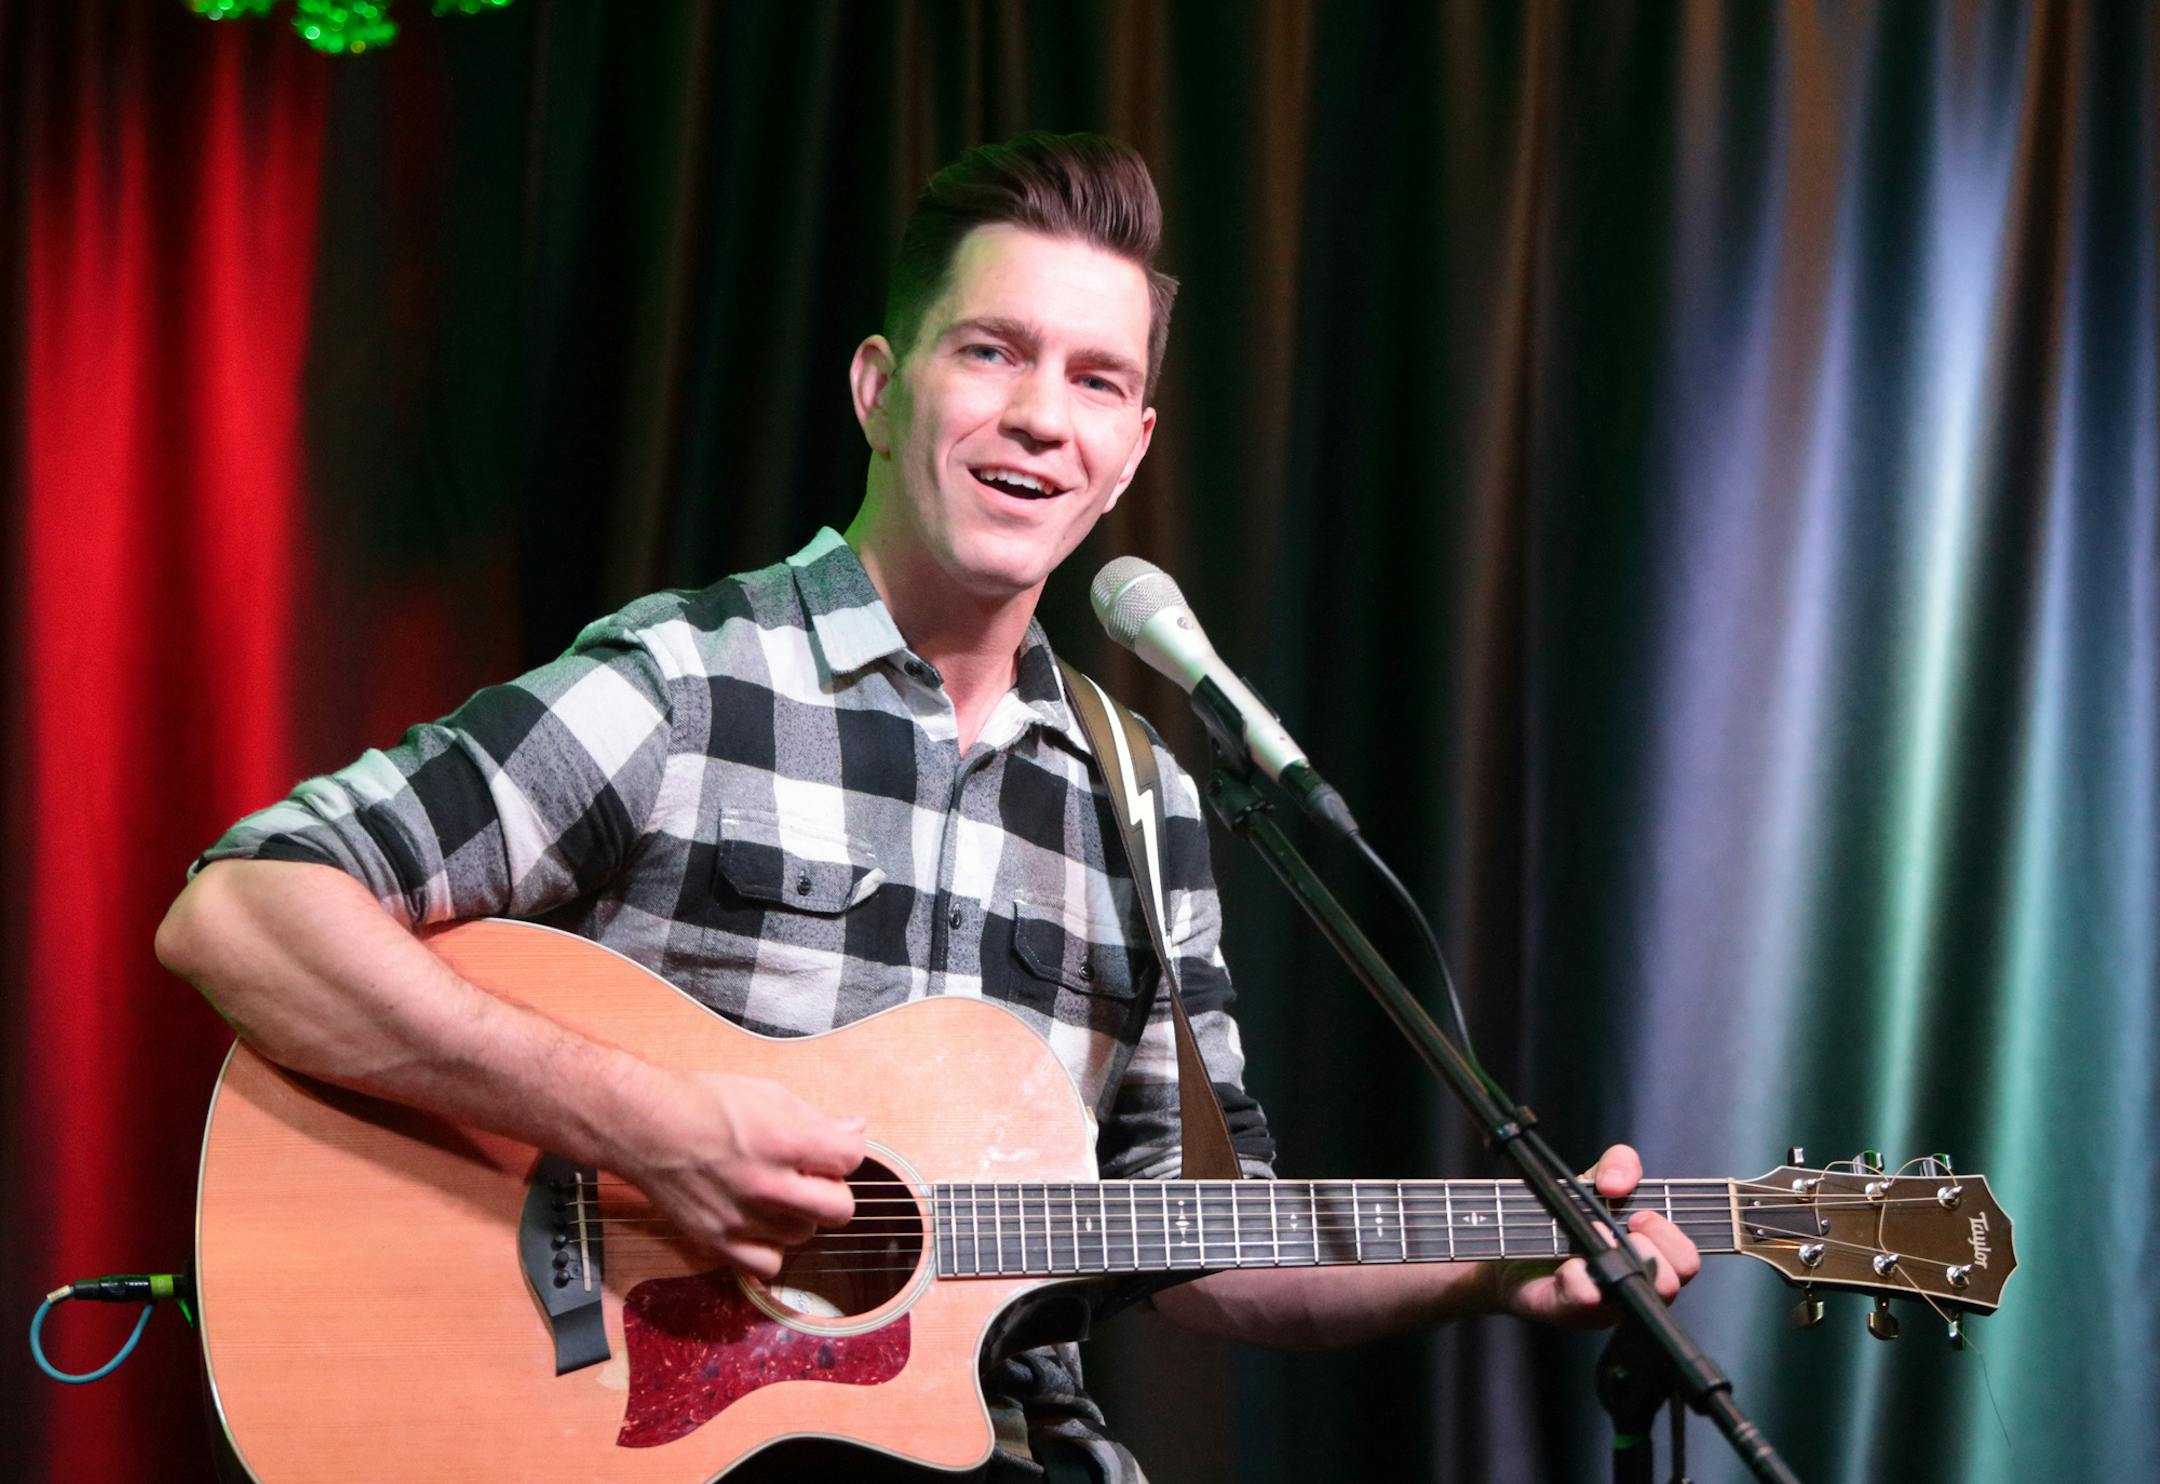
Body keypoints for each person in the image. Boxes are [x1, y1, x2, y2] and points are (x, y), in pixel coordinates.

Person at [156, 131, 1697, 1481]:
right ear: (881, 390)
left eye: (1097, 381)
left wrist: (1492, 1267)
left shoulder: (1142, 800)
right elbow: (242, 911)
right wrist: (646, 1125)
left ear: (1130, 456)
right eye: (993, 353)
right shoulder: (692, 683)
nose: (1042, 416)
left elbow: (1205, 1246)